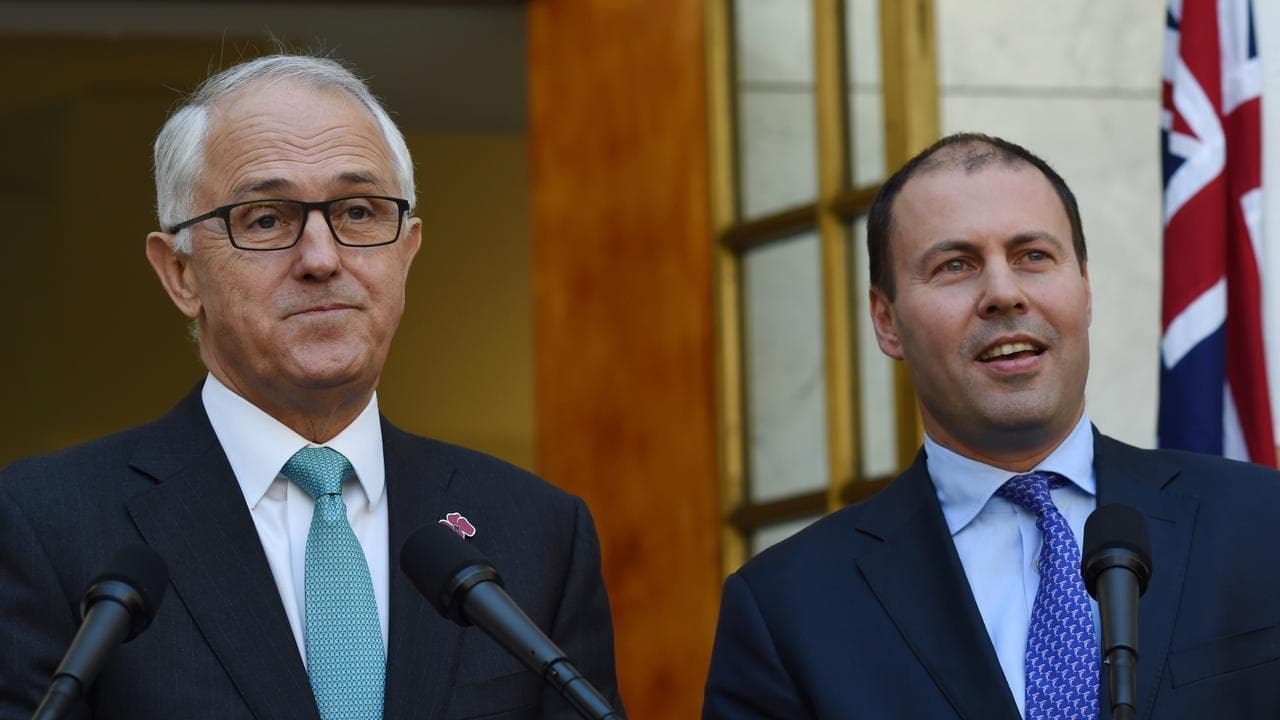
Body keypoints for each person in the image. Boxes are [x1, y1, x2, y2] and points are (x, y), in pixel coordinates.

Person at [0, 54, 621, 720]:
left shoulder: (537, 532)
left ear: (406, 250)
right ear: (179, 273)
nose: (322, 259)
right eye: (266, 219)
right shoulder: (45, 526)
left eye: (358, 212)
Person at [703, 133, 1280, 719]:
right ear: (886, 322)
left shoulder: (1263, 523)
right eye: (955, 265)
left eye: (1033, 255)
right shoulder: (789, 610)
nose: (1003, 294)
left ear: (1085, 288)